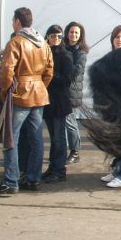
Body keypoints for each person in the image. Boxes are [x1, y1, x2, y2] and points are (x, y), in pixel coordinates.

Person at [0, 7, 53, 196]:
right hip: (39, 92)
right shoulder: (43, 43)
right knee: (36, 139)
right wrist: (39, 86)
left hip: (20, 93)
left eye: (12, 20)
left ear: (18, 21)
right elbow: (49, 71)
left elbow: (7, 70)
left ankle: (11, 181)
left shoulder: (16, 41)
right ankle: (33, 179)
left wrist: (5, 92)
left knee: (11, 138)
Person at [100, 25, 121, 188]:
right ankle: (117, 169)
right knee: (117, 140)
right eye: (117, 37)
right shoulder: (112, 56)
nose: (119, 40)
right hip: (113, 104)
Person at [41, 25, 73, 184]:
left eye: (59, 36)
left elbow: (68, 80)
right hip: (46, 101)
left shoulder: (65, 55)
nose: (56, 39)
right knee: (53, 138)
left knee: (59, 139)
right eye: (53, 36)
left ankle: (60, 170)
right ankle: (53, 167)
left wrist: (50, 76)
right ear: (47, 36)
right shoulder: (43, 52)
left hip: (60, 102)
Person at [64, 21, 89, 164]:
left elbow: (77, 70)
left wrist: (62, 72)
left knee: (70, 122)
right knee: (61, 123)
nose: (73, 35)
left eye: (76, 33)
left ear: (80, 36)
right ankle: (63, 150)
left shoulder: (81, 52)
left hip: (72, 93)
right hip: (61, 92)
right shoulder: (62, 48)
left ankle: (75, 151)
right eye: (71, 32)